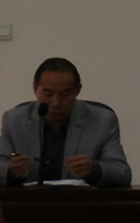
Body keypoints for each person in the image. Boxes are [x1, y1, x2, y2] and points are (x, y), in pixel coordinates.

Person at [0, 57, 131, 187]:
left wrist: (94, 169)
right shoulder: (14, 120)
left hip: (80, 199)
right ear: (35, 88)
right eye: (48, 94)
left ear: (77, 90)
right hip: (30, 199)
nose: (56, 103)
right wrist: (12, 172)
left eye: (65, 94)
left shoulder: (102, 120)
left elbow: (122, 172)